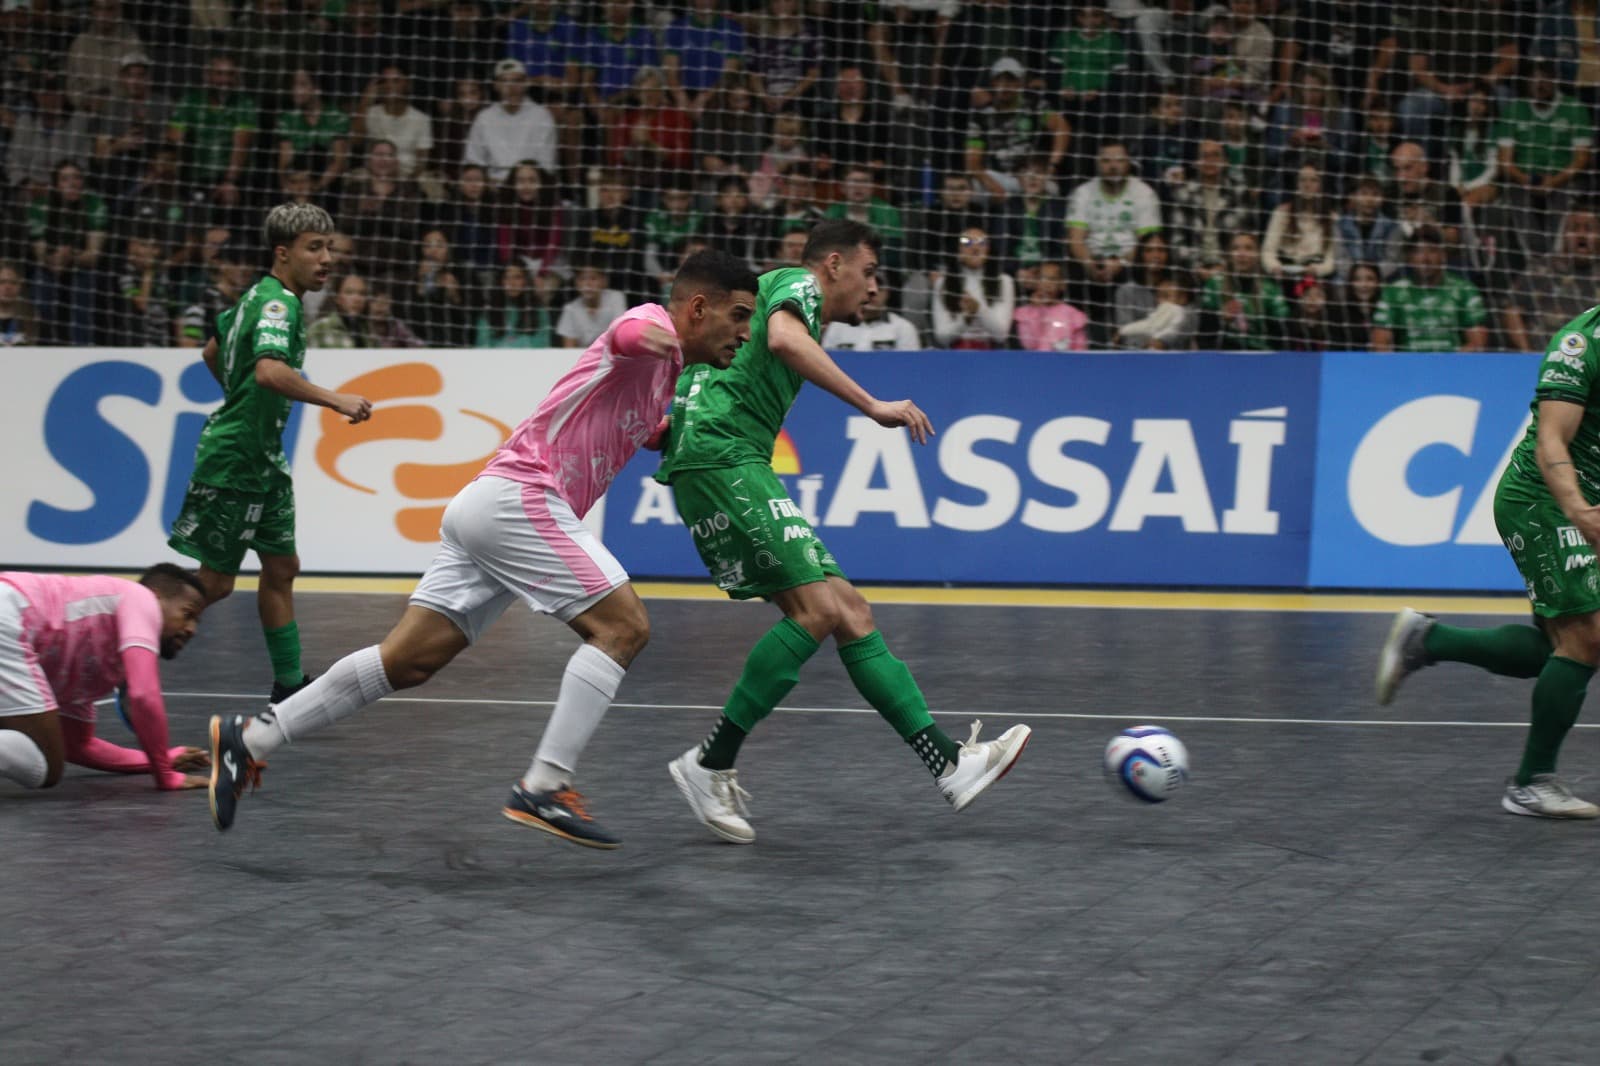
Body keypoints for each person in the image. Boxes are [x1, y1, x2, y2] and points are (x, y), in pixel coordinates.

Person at [207, 250, 761, 846]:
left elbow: (649, 428)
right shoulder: (649, 327)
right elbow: (632, 332)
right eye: (739, 317)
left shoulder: (664, 379)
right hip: (522, 501)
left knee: (408, 661)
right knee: (623, 627)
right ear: (698, 308)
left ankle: (253, 737)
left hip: (491, 509)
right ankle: (544, 785)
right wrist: (673, 345)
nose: (746, 333)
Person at [653, 219, 1031, 845]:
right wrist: (874, 405)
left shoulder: (775, 290)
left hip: (722, 455)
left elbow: (732, 363)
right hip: (725, 457)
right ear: (833, 265)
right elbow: (780, 340)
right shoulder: (798, 288)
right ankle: (709, 761)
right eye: (869, 271)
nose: (875, 287)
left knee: (850, 610)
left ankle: (951, 766)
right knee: (815, 611)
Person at [1374, 304, 1600, 817]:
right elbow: (1550, 441)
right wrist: (1578, 511)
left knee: (1559, 648)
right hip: (1545, 500)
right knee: (1587, 636)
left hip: (1588, 504)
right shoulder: (1581, 345)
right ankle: (1531, 783)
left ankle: (1428, 640)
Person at [168, 204, 374, 704]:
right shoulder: (280, 304)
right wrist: (334, 398)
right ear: (283, 254)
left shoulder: (252, 299)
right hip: (236, 459)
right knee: (214, 585)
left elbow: (211, 352)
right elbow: (267, 372)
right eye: (314, 248)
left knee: (282, 568)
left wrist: (240, 398)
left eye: (329, 248)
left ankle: (288, 686)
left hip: (262, 461)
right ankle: (124, 649)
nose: (327, 258)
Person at [0, 564, 207, 794]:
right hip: (9, 615)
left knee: (31, 742)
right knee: (45, 766)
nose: (192, 629)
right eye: (188, 614)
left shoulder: (95, 664)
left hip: (9, 613)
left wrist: (162, 759)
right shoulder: (141, 597)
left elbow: (79, 746)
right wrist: (164, 775)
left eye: (197, 621)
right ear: (156, 597)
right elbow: (143, 696)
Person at [1370, 226, 1488, 352]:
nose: (1425, 258)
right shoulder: (1393, 291)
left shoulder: (1464, 289)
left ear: (1443, 256)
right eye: (1418, 252)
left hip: (1453, 365)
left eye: (1432, 251)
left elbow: (1477, 342)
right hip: (1408, 366)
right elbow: (1380, 341)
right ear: (1409, 258)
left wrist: (1449, 367)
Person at [821, 276, 922, 350]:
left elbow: (909, 365)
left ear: (887, 293)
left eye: (879, 288)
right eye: (867, 286)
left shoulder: (903, 328)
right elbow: (825, 363)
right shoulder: (837, 326)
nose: (873, 293)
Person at [557, 263, 628, 347]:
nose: (588, 284)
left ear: (604, 281)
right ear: (576, 283)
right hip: (583, 356)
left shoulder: (616, 298)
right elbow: (569, 347)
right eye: (582, 279)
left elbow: (620, 334)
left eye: (593, 279)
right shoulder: (570, 309)